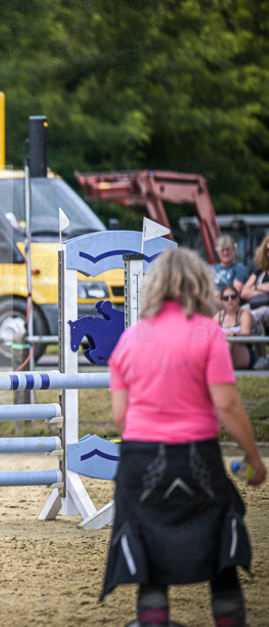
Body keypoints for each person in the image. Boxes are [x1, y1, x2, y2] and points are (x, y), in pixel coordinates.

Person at [102, 247, 266, 627]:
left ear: (154, 287)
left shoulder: (130, 338)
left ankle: (154, 621)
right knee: (221, 549)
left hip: (141, 460)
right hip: (197, 458)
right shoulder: (208, 332)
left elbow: (121, 418)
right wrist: (254, 459)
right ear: (200, 285)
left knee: (149, 555)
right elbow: (227, 404)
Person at [239, 233, 269, 369]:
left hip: (263, 309)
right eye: (268, 250)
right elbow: (244, 292)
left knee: (253, 316)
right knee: (240, 313)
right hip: (255, 306)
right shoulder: (261, 270)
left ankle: (262, 357)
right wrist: (261, 288)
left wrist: (255, 289)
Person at [217, 286, 256, 370]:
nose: (230, 300)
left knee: (229, 340)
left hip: (244, 353)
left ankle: (216, 367)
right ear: (222, 301)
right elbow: (209, 334)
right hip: (223, 351)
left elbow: (246, 333)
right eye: (226, 298)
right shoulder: (218, 316)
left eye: (233, 297)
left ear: (238, 298)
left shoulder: (244, 314)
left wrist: (233, 335)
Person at [212, 236, 249, 310]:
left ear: (234, 250)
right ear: (217, 252)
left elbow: (233, 293)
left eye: (228, 249)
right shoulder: (212, 268)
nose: (225, 253)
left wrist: (214, 293)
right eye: (222, 250)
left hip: (229, 306)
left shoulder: (239, 268)